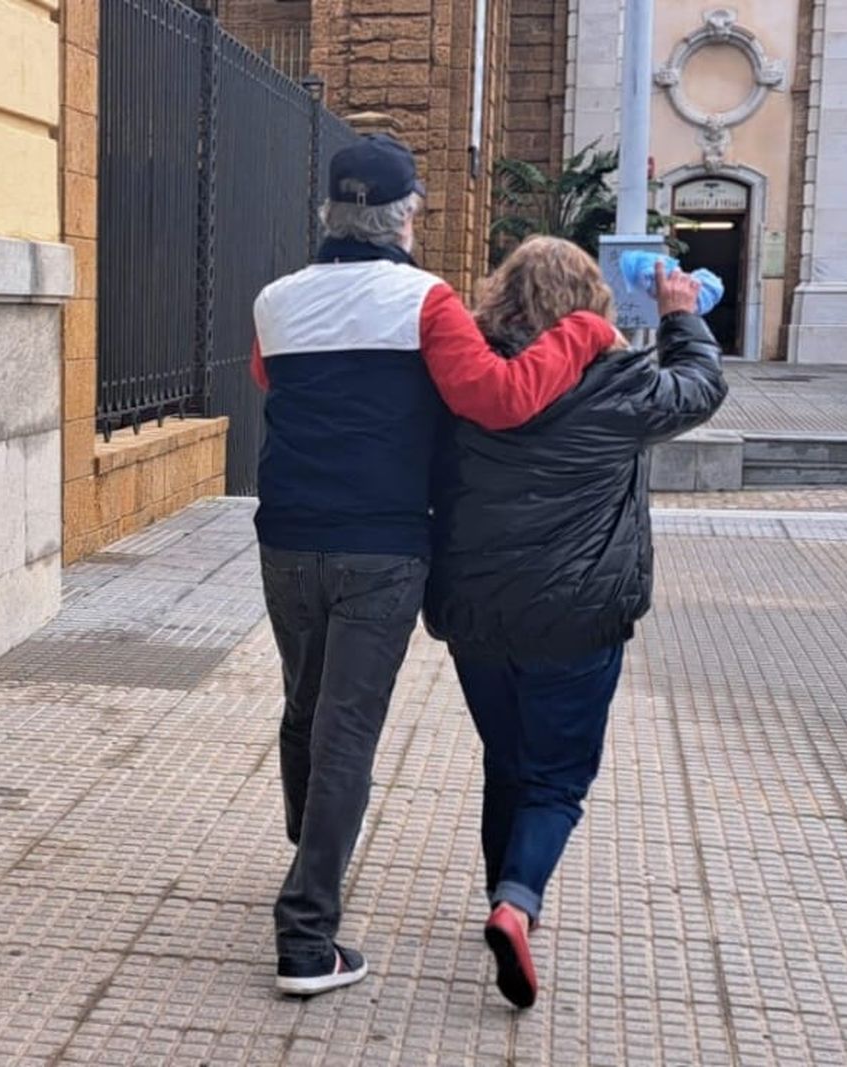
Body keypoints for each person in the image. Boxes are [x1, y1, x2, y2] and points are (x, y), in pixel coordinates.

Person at [248, 136, 621, 997]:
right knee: (347, 731)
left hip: (287, 539)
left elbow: (271, 379)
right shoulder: (426, 301)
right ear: (406, 216)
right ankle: (306, 934)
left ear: (330, 213)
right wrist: (582, 331)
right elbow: (500, 397)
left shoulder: (274, 299)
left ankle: (314, 843)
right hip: (380, 548)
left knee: (305, 705)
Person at [424, 237, 728, 1009]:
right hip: (579, 615)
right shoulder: (620, 382)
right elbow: (700, 387)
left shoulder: (467, 377)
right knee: (556, 777)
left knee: (506, 757)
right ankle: (516, 901)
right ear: (591, 301)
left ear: (502, 295)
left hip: (479, 610)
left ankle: (502, 892)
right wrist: (681, 316)